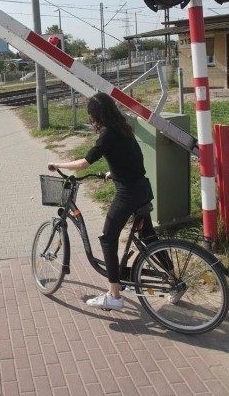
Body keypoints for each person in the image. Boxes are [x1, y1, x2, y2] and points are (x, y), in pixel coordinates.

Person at [47, 91, 154, 311]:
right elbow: (132, 159)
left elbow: (86, 162)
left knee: (107, 239)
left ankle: (114, 295)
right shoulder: (123, 130)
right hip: (142, 188)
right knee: (150, 238)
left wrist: (60, 165)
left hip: (128, 193)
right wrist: (113, 172)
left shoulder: (107, 135)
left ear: (95, 115)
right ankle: (172, 278)